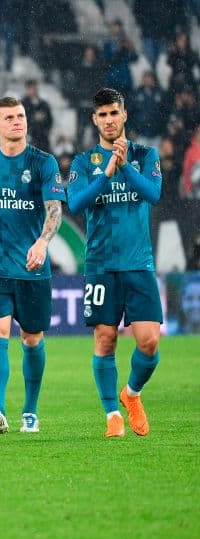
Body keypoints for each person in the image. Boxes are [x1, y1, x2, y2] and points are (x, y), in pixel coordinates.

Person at [0, 96, 64, 435]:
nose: (17, 121)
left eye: (20, 116)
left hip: (32, 269)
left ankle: (30, 411)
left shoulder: (43, 163)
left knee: (32, 338)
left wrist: (42, 242)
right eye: (9, 117)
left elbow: (55, 210)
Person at [67, 88, 163, 438]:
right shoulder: (83, 162)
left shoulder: (145, 155)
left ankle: (131, 394)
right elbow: (75, 204)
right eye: (102, 115)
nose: (108, 120)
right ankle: (112, 415)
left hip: (138, 264)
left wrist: (124, 167)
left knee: (149, 342)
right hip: (101, 264)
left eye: (113, 113)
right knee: (105, 339)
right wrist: (106, 173)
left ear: (124, 115)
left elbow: (152, 194)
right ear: (94, 120)